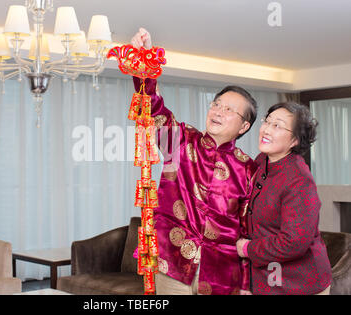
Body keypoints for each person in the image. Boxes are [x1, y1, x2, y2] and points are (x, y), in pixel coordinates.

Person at [131, 28, 258, 295]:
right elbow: (152, 108)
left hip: (223, 274)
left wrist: (246, 285)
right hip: (171, 262)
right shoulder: (181, 141)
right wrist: (146, 63)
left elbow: (248, 231)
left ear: (244, 126)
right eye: (216, 104)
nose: (218, 111)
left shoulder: (248, 169)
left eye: (229, 109)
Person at [236, 102, 332, 295]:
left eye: (277, 125)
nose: (266, 129)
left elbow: (294, 241)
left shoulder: (299, 180)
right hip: (267, 279)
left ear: (295, 140)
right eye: (267, 121)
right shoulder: (261, 161)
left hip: (298, 284)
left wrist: (248, 249)